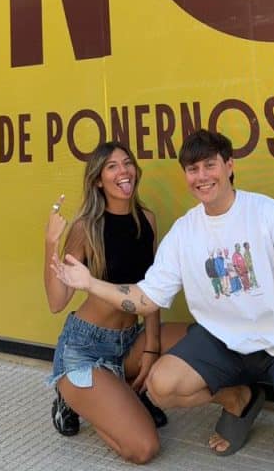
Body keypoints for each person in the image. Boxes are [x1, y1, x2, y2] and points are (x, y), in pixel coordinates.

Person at [51, 130, 274, 469]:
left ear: (229, 166)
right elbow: (147, 297)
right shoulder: (183, 232)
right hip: (222, 342)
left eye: (209, 165)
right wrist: (89, 282)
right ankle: (239, 401)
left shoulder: (265, 212)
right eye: (192, 169)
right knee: (161, 387)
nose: (201, 176)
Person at [44, 142, 187, 465]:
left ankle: (127, 392)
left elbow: (152, 292)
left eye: (127, 163)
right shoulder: (86, 227)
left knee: (199, 339)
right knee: (143, 448)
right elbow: (57, 301)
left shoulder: (147, 219)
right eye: (112, 166)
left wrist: (151, 349)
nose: (123, 171)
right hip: (85, 349)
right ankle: (74, 398)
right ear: (98, 180)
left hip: (130, 341)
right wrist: (50, 243)